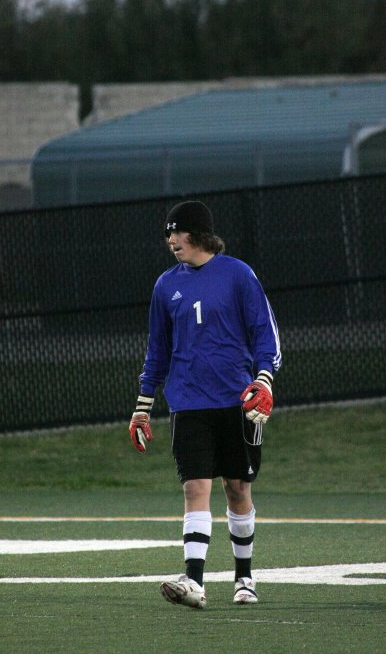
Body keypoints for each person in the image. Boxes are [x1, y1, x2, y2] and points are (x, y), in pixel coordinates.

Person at [128, 199, 281, 609]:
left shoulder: (238, 275)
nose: (171, 240)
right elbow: (156, 350)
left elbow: (266, 336)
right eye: (167, 233)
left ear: (199, 234)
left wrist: (264, 379)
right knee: (195, 487)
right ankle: (193, 581)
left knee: (236, 488)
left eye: (177, 232)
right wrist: (143, 404)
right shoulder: (166, 285)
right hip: (188, 401)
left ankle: (245, 577)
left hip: (236, 400)